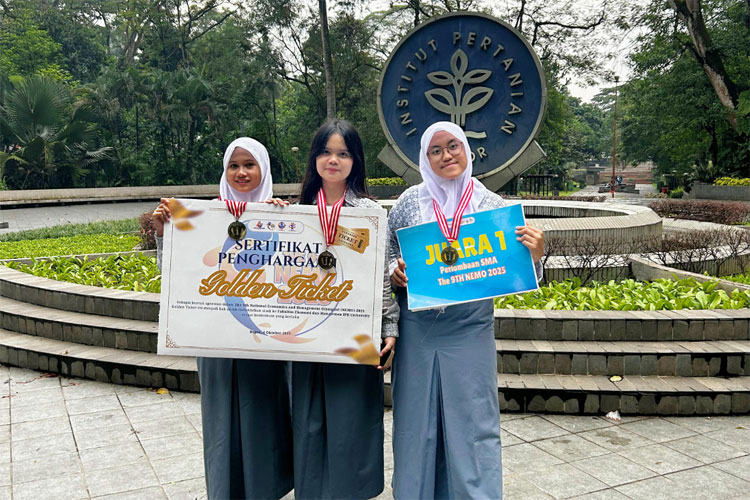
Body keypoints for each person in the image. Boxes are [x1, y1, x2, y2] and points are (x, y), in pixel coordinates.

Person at [387, 121, 544, 499]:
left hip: (470, 329)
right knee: (415, 423)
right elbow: (388, 251)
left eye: (453, 146)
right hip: (418, 329)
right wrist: (394, 270)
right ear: (425, 158)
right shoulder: (408, 203)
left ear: (467, 150)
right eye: (435, 150)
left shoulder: (492, 207)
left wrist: (536, 254)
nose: (446, 155)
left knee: (474, 423)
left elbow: (519, 272)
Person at [151, 137, 294, 500]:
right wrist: (164, 233)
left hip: (262, 338)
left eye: (250, 165)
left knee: (264, 414)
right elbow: (177, 276)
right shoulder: (204, 217)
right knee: (221, 419)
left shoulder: (281, 216)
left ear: (264, 169)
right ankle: (223, 491)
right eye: (234, 165)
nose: (241, 173)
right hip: (214, 340)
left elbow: (293, 276)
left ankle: (267, 490)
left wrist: (286, 221)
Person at [290, 119, 399, 500]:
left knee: (353, 418)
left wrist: (389, 328)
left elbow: (381, 275)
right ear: (314, 158)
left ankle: (354, 491)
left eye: (343, 153)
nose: (333, 160)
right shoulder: (298, 211)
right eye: (325, 152)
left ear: (356, 161)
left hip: (354, 333)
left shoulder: (369, 212)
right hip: (307, 334)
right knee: (309, 420)